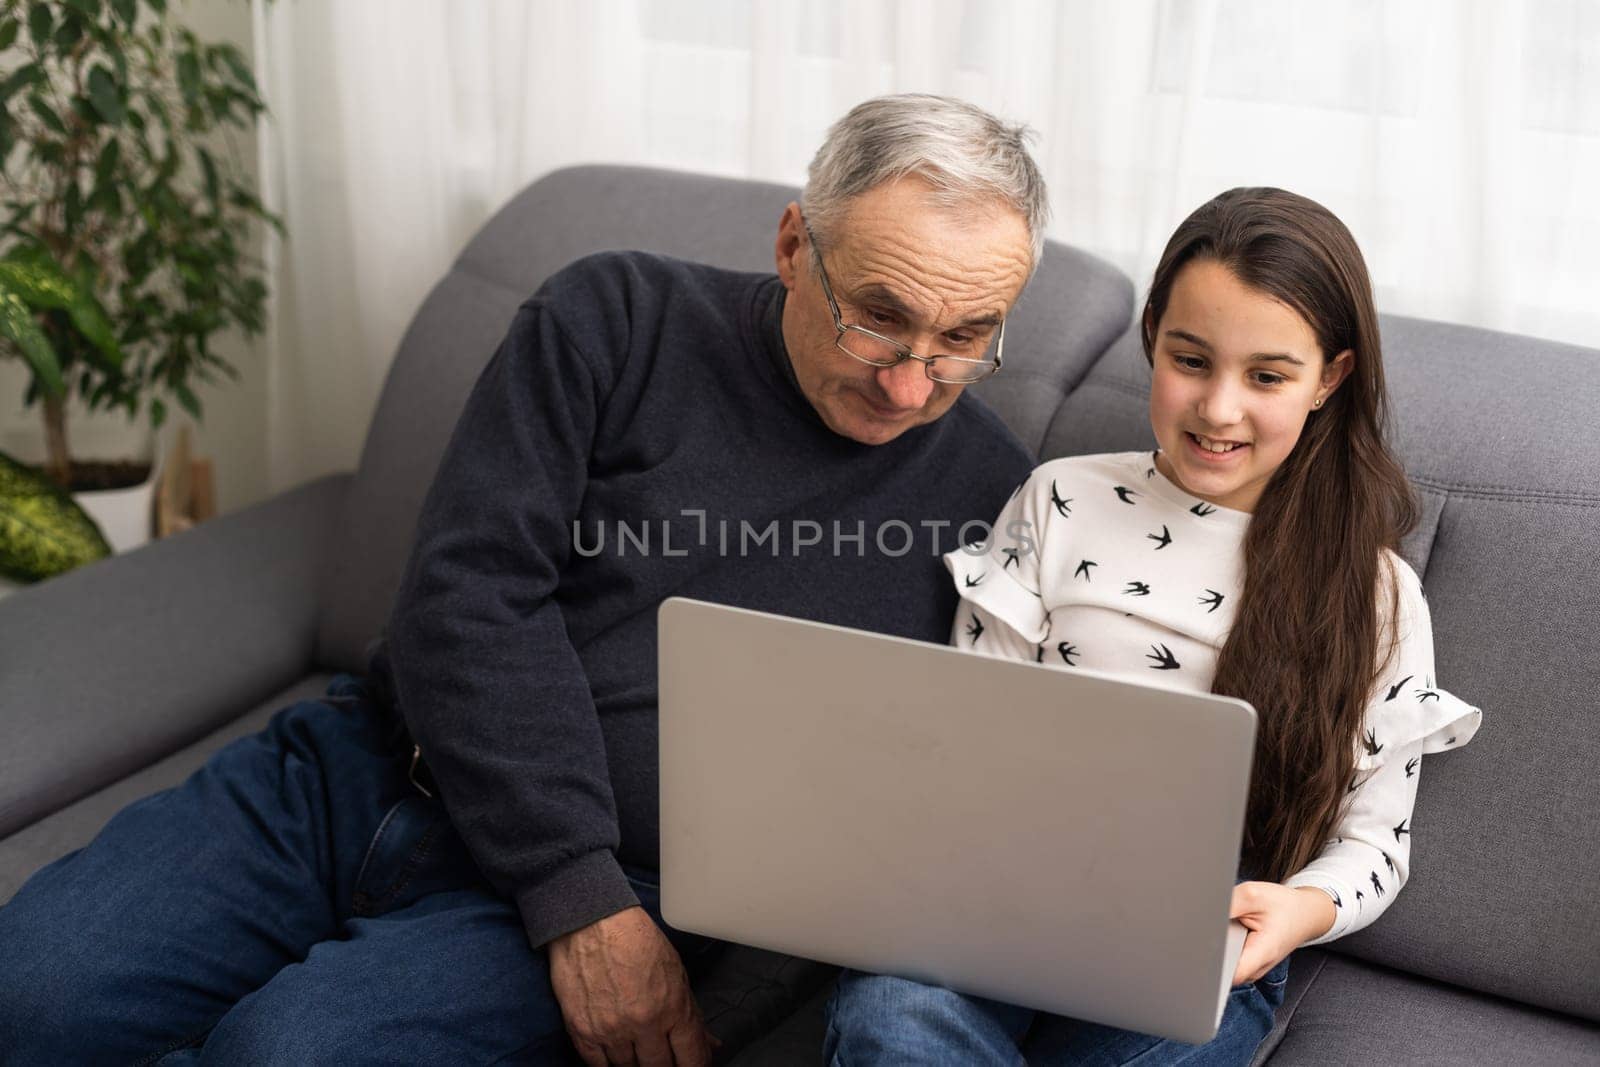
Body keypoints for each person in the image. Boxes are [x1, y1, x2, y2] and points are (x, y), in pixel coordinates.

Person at [0, 95, 1049, 1064]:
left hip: (615, 895)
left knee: (289, 1053)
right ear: (792, 246)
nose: (912, 382)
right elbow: (466, 595)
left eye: (962, 339)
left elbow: (895, 824)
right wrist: (573, 892)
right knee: (31, 994)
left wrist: (689, 985)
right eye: (876, 316)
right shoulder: (614, 318)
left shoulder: (998, 496)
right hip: (362, 776)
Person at [822, 187, 1483, 1066]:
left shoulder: (1376, 594)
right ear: (1151, 340)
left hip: (1195, 943)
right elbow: (965, 726)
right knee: (890, 1017)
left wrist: (1298, 908)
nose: (1217, 409)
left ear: (1330, 378)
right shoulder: (1061, 498)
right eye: (1190, 360)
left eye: (1268, 376)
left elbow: (1374, 841)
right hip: (1000, 898)